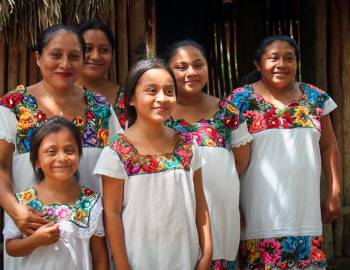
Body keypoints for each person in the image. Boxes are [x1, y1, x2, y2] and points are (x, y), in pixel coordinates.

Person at [0, 24, 121, 268]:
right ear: (38, 57)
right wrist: (16, 211)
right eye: (56, 54)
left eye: (74, 56)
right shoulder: (13, 105)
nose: (65, 64)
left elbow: (117, 168)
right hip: (31, 237)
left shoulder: (100, 108)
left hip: (88, 244)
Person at [228, 35, 341, 270]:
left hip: (306, 214)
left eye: (289, 58)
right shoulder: (239, 101)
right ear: (258, 64)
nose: (282, 64)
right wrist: (230, 203)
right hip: (258, 215)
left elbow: (329, 145)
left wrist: (333, 191)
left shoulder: (315, 98)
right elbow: (229, 157)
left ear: (297, 63)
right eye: (273, 58)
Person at [94, 58, 212, 270]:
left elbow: (201, 205)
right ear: (131, 99)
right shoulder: (117, 151)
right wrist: (122, 266)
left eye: (169, 91)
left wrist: (206, 254)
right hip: (138, 261)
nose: (162, 98)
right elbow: (111, 214)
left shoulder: (187, 145)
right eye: (151, 90)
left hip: (186, 259)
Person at [164, 39, 252, 270]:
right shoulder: (157, 112)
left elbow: (240, 161)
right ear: (167, 71)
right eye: (181, 67)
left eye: (198, 65)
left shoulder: (227, 111)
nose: (191, 72)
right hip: (172, 210)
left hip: (219, 212)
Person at [3, 117, 108, 270]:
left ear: (79, 155)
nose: (62, 157)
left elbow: (99, 257)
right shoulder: (23, 203)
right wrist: (35, 241)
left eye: (69, 150)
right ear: (37, 161)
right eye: (51, 151)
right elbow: (11, 248)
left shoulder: (91, 202)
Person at [76, 19, 126, 129]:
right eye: (88, 48)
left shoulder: (126, 97)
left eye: (104, 50)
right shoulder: (62, 93)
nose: (95, 56)